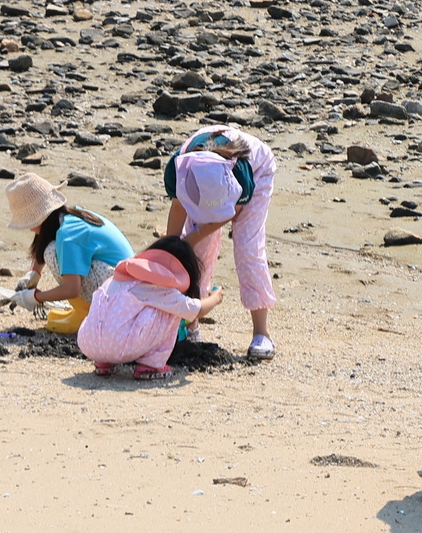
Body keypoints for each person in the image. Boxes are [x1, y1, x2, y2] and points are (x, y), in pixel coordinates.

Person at [164, 125, 279, 362]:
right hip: (200, 181)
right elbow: (178, 206)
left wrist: (192, 238)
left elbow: (228, 214)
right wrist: (172, 251)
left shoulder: (241, 171)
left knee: (247, 246)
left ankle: (261, 333)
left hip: (258, 171)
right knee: (195, 252)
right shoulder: (179, 167)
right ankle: (191, 325)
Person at [75, 236, 221, 380]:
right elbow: (196, 310)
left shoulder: (116, 278)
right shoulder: (158, 288)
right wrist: (215, 298)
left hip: (88, 343)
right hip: (118, 347)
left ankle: (104, 362)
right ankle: (151, 365)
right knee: (173, 308)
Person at [4, 173, 133, 331]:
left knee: (51, 252)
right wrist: (33, 273)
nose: (30, 228)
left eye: (29, 221)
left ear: (40, 217)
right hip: (127, 286)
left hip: (121, 298)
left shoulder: (67, 236)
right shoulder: (70, 216)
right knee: (52, 249)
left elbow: (71, 289)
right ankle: (84, 311)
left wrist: (35, 298)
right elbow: (45, 237)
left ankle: (85, 315)